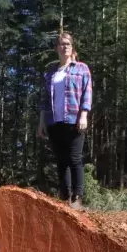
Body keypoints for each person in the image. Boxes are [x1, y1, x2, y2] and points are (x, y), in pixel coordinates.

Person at [38, 32, 92, 210]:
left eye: (68, 43)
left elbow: (87, 93)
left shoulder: (81, 68)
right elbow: (45, 100)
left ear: (72, 47)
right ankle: (64, 197)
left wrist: (84, 114)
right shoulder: (51, 73)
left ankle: (77, 198)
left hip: (74, 119)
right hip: (54, 121)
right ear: (57, 48)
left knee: (75, 158)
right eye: (62, 44)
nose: (65, 46)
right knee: (61, 160)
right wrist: (42, 123)